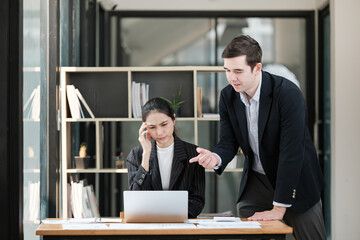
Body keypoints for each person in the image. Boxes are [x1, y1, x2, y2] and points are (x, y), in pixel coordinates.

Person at [189, 35, 326, 239]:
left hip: (296, 180)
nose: (231, 77)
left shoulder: (288, 94)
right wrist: (216, 158)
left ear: (257, 68)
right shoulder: (227, 96)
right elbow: (228, 141)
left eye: (238, 71)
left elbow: (292, 152)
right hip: (257, 182)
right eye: (227, 70)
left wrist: (279, 209)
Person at [127, 97, 205, 218]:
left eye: (164, 124)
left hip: (182, 227)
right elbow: (135, 199)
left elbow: (197, 202)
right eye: (152, 127)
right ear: (145, 128)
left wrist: (162, 213)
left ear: (173, 119)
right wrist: (146, 155)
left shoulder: (194, 154)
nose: (159, 132)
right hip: (148, 228)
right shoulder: (136, 155)